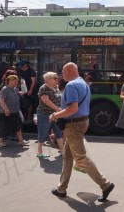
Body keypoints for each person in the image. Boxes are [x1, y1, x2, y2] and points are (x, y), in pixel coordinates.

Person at [48, 62, 114, 202]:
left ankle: (105, 184)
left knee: (81, 158)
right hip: (82, 122)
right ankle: (61, 188)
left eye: (63, 72)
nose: (61, 75)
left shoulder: (71, 85)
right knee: (67, 156)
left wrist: (55, 115)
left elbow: (72, 109)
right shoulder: (83, 83)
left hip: (74, 125)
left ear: (68, 71)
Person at [0, 75, 30, 147]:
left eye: (17, 81)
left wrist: (20, 93)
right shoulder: (5, 89)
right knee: (4, 127)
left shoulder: (15, 89)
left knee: (18, 126)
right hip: (6, 112)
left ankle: (21, 141)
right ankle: (1, 141)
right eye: (15, 81)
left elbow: (22, 92)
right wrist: (6, 109)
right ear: (9, 81)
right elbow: (1, 100)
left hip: (15, 111)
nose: (16, 82)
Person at [36, 72, 64, 157]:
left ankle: (63, 152)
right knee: (43, 132)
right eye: (55, 78)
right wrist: (59, 110)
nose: (57, 79)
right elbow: (46, 101)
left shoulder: (56, 87)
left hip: (56, 114)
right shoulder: (43, 88)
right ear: (48, 79)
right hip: (45, 114)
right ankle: (39, 152)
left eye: (57, 78)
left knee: (58, 132)